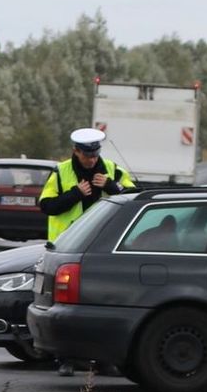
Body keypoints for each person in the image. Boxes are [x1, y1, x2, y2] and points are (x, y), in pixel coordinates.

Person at [39, 127, 135, 376]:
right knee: (66, 309)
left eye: (94, 155)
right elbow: (46, 205)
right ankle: (66, 359)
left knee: (104, 306)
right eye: (86, 155)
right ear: (76, 151)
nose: (91, 160)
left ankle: (104, 360)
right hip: (69, 250)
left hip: (105, 251)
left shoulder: (112, 169)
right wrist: (75, 194)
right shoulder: (61, 172)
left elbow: (137, 196)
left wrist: (113, 186)